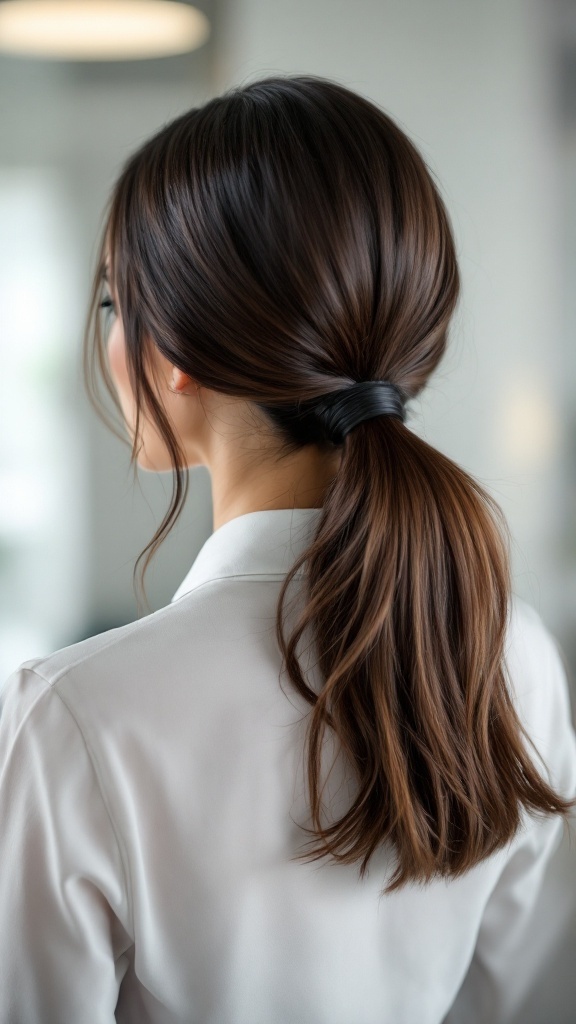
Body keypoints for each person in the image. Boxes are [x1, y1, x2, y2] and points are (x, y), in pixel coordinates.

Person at [0, 74, 575, 1024]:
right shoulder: (520, 658)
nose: (108, 337)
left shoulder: (72, 719)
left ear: (172, 344)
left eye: (113, 301)